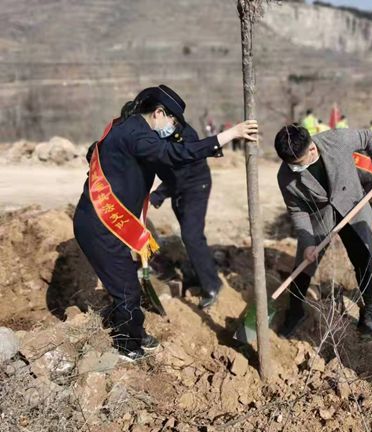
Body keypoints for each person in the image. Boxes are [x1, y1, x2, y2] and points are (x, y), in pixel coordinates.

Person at [73, 85, 258, 361]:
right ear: (159, 113)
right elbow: (174, 155)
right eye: (171, 120)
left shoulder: (129, 128)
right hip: (101, 225)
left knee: (126, 280)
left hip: (108, 222)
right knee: (127, 289)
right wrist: (229, 134)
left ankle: (134, 330)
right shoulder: (137, 134)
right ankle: (127, 346)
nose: (172, 126)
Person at [274, 125, 372, 337]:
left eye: (297, 165)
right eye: (290, 165)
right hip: (320, 217)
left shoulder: (336, 139)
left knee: (363, 258)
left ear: (311, 150)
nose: (294, 170)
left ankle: (370, 309)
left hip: (352, 206)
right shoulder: (285, 176)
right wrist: (308, 242)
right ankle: (296, 311)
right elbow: (297, 211)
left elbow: (368, 136)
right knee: (303, 266)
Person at [149, 123, 224, 309]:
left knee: (192, 236)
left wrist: (158, 194)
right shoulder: (154, 135)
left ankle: (212, 285)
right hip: (178, 191)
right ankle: (194, 274)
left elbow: (182, 172)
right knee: (188, 235)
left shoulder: (185, 134)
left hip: (195, 186)